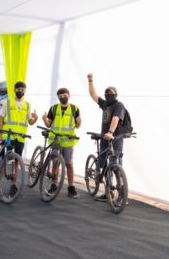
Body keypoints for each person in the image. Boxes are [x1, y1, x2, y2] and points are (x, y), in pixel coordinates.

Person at [0, 81, 38, 196]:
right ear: (14, 90)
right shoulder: (7, 102)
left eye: (22, 89)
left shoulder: (28, 105)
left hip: (20, 137)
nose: (20, 91)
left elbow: (30, 122)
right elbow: (1, 119)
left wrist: (36, 118)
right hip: (8, 136)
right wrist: (0, 134)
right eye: (18, 89)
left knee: (17, 161)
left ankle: (13, 185)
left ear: (25, 91)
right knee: (5, 160)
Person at [87, 73, 126, 201]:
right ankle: (108, 193)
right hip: (105, 140)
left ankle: (121, 195)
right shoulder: (105, 105)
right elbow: (93, 95)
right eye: (107, 93)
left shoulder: (118, 105)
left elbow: (116, 118)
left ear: (115, 94)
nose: (108, 94)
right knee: (104, 166)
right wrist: (90, 81)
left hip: (115, 140)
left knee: (116, 167)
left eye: (111, 93)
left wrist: (110, 132)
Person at [42, 88, 81, 198]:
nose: (63, 97)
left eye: (65, 95)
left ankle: (71, 187)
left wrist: (79, 122)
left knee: (69, 164)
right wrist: (45, 119)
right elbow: (49, 124)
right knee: (55, 163)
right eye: (61, 96)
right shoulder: (54, 108)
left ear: (69, 95)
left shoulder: (75, 108)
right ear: (58, 97)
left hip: (68, 141)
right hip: (56, 140)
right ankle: (54, 185)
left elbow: (78, 125)